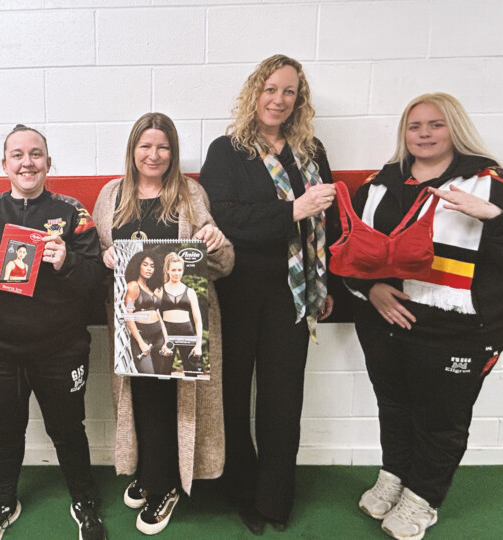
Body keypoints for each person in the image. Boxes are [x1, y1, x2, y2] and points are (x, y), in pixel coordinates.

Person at [346, 93, 503, 540]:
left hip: (460, 329)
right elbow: (348, 254)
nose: (423, 133)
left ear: (454, 128)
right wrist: (371, 289)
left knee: (441, 418)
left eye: (435, 125)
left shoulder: (492, 183)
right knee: (395, 407)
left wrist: (494, 217)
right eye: (414, 125)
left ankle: (424, 496)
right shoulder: (378, 185)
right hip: (385, 323)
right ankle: (396, 474)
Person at [0, 125, 108, 540]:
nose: (27, 162)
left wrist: (67, 258)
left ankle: (84, 501)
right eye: (17, 154)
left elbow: (98, 278)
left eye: (36, 154)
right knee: (5, 430)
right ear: (4, 164)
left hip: (61, 349)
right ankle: (3, 501)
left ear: (48, 163)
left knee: (68, 429)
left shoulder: (73, 214)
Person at [198, 54, 336, 534]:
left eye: (289, 92)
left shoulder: (310, 151)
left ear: (300, 100)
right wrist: (292, 210)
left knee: (282, 401)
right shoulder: (227, 150)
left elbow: (329, 223)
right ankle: (240, 492)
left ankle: (275, 500)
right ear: (254, 92)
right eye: (270, 88)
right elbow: (228, 219)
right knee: (232, 398)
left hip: (292, 293)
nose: (278, 99)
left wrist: (324, 282)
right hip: (235, 291)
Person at [93, 112, 234, 535]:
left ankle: (166, 486)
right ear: (132, 149)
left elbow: (223, 264)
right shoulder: (111, 195)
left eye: (163, 147)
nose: (153, 155)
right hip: (133, 325)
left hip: (180, 324)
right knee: (141, 402)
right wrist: (104, 258)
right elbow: (98, 251)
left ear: (172, 152)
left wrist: (216, 242)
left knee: (176, 405)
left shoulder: (190, 194)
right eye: (145, 146)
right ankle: (152, 471)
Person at [122, 251, 169, 374]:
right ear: (138, 266)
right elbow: (129, 317)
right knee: (148, 374)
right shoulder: (133, 286)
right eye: (145, 265)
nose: (149, 269)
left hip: (159, 337)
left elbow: (159, 315)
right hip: (142, 338)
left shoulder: (151, 289)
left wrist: (167, 339)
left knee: (162, 374)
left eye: (152, 266)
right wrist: (141, 343)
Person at [159, 252, 204, 376]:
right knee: (163, 372)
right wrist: (162, 340)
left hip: (186, 332)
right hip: (167, 332)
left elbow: (198, 320)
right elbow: (156, 317)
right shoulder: (159, 291)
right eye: (173, 270)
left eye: (179, 270)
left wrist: (198, 344)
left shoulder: (190, 292)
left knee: (191, 373)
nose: (177, 273)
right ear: (167, 270)